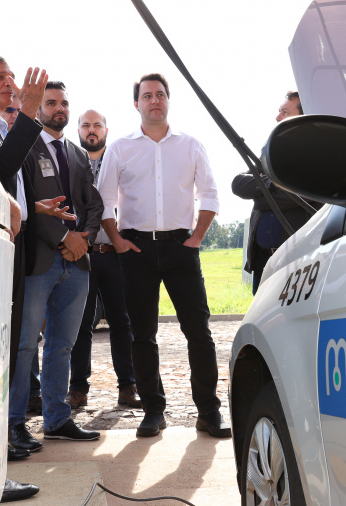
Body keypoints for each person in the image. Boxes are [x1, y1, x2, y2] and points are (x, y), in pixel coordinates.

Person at [96, 73, 231, 438]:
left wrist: (197, 238)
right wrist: (117, 240)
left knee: (199, 332)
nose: (154, 100)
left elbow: (210, 194)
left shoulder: (191, 145)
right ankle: (154, 410)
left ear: (168, 100)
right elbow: (104, 200)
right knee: (142, 335)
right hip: (136, 249)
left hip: (181, 248)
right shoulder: (120, 148)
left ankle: (209, 412)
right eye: (147, 95)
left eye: (160, 94)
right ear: (136, 103)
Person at [8, 81, 104, 452]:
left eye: (63, 103)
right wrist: (65, 238)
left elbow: (93, 204)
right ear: (38, 108)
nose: (58, 108)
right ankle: (14, 424)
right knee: (24, 346)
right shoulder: (25, 147)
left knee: (62, 345)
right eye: (51, 103)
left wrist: (84, 240)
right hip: (39, 261)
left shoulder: (78, 154)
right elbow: (26, 203)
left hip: (77, 264)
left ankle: (57, 419)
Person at [0, 54, 47, 503]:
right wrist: (28, 112)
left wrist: (30, 209)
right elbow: (0, 170)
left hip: (14, 246)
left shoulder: (1, 128)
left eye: (11, 75)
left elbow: (11, 187)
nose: (10, 82)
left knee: (4, 351)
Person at [67, 110, 140, 410]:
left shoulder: (121, 160)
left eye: (97, 125)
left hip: (114, 254)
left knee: (122, 322)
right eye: (86, 125)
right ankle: (78, 389)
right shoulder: (69, 161)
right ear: (79, 131)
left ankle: (128, 386)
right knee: (81, 324)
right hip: (81, 255)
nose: (91, 130)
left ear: (106, 130)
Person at [232, 91, 315, 294]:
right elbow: (238, 184)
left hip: (295, 262)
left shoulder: (315, 157)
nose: (277, 117)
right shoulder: (268, 155)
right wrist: (273, 183)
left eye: (285, 112)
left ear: (303, 117)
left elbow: (300, 196)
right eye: (279, 111)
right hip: (262, 261)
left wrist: (259, 195)